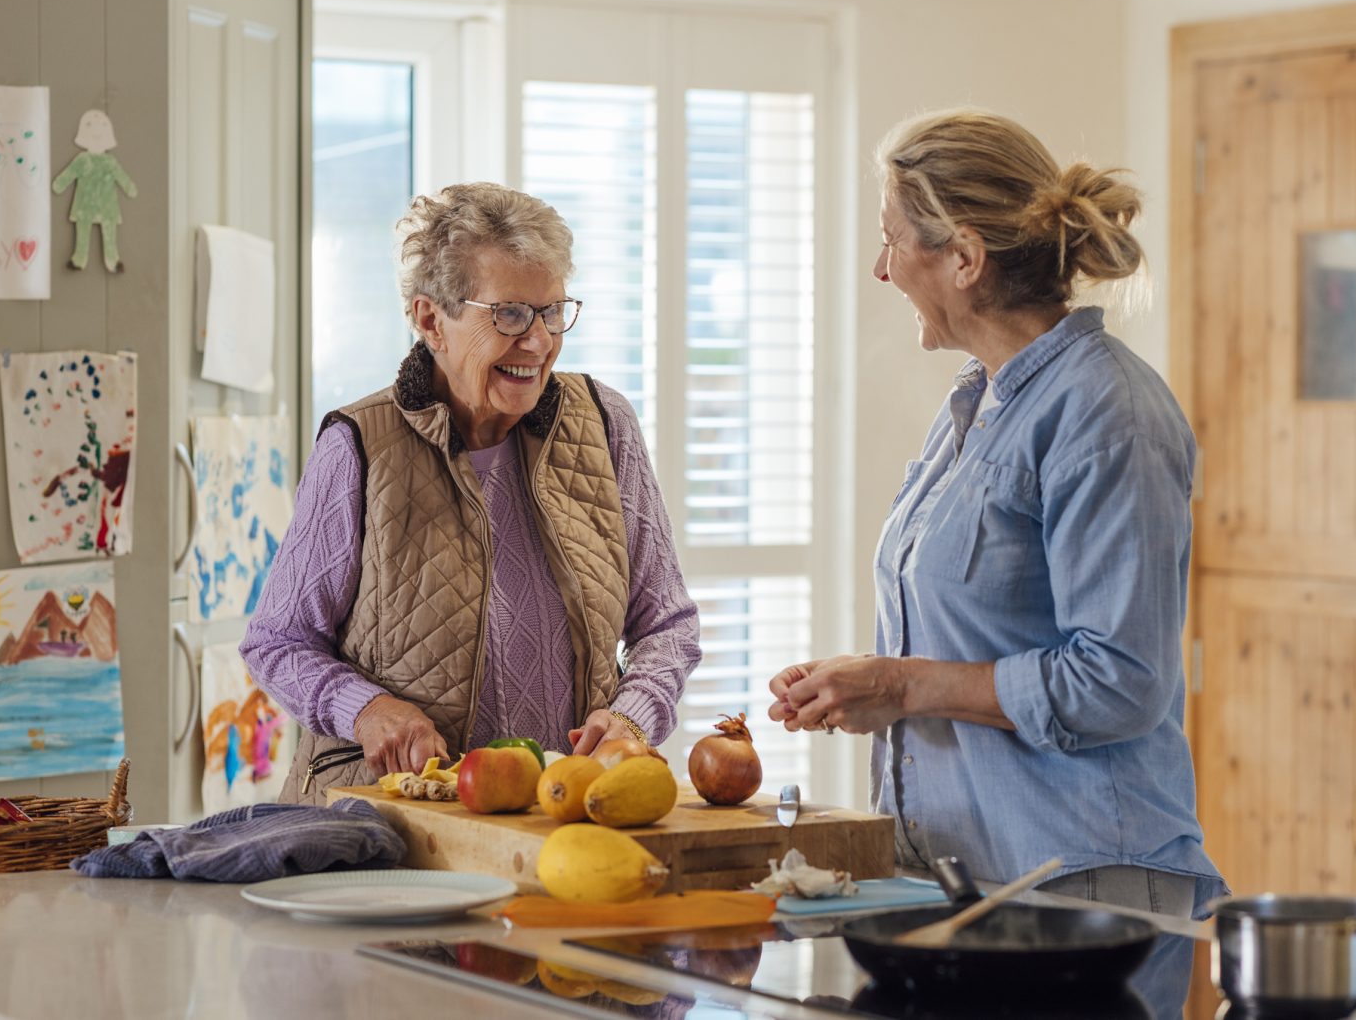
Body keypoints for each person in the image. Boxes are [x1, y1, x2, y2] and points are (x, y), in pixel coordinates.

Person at [767, 110, 1224, 1017]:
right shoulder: (976, 403)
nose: (880, 266)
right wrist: (875, 688)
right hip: (969, 881)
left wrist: (902, 685)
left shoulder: (1108, 412)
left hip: (1082, 889)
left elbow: (1120, 680)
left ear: (964, 258)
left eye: (893, 240)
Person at [243, 182, 701, 804]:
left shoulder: (605, 422)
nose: (537, 342)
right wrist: (367, 708)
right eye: (509, 315)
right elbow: (278, 641)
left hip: (561, 812)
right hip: (390, 821)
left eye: (552, 312)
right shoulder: (359, 445)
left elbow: (667, 623)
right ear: (432, 319)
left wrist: (633, 714)